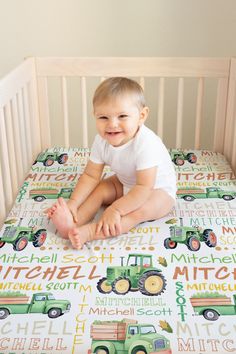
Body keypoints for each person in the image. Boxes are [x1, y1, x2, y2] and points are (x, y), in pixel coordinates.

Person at [46, 77, 176, 249]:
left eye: (122, 116)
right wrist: (73, 202)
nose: (112, 124)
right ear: (95, 116)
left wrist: (115, 209)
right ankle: (73, 221)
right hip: (125, 182)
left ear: (141, 116)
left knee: (137, 213)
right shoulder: (101, 141)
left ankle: (91, 232)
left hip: (156, 191)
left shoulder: (146, 143)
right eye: (103, 117)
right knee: (100, 189)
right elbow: (91, 175)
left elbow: (144, 188)